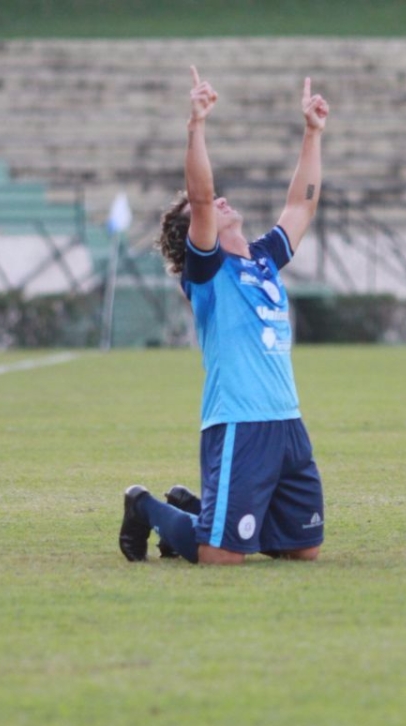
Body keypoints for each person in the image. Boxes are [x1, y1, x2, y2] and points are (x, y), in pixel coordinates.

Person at [119, 66, 330, 564]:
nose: (218, 200)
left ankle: (194, 509)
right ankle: (143, 506)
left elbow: (301, 206)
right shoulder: (209, 272)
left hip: (287, 422)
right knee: (220, 559)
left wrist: (313, 133)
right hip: (240, 422)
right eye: (209, 206)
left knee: (303, 551)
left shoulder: (261, 259)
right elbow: (198, 197)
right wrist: (196, 126)